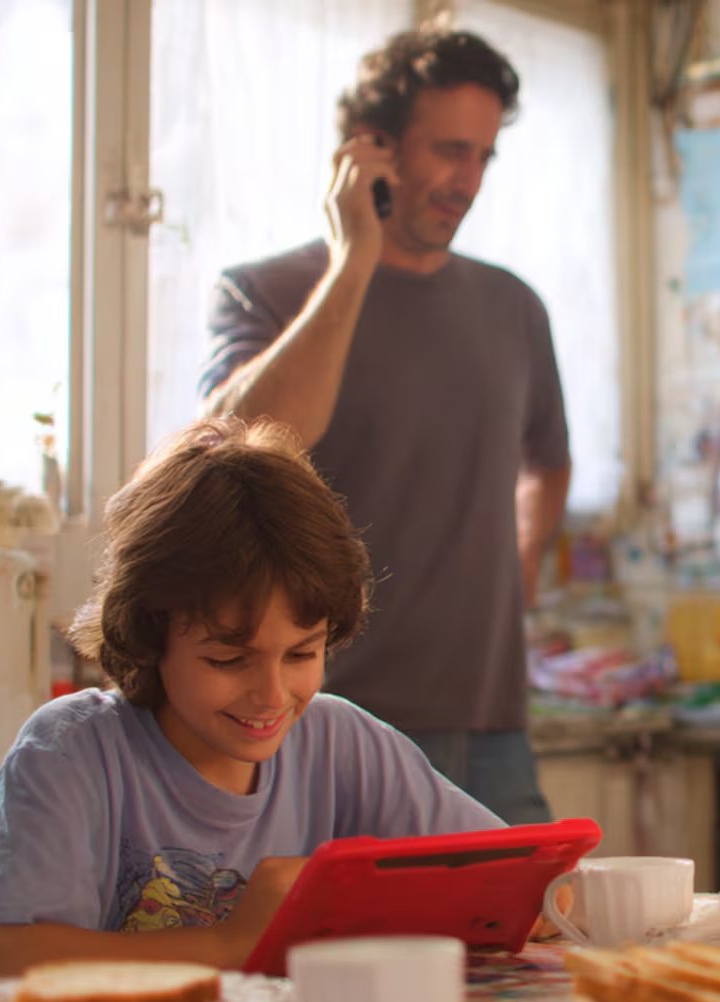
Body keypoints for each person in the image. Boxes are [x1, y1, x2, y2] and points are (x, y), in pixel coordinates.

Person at [0, 419, 504, 981]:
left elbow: (518, 876)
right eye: (227, 660)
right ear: (150, 634)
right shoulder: (72, 751)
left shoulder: (342, 742)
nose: (272, 696)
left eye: (301, 655)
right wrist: (231, 943)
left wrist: (524, 903)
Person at [199, 27, 568, 822]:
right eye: (446, 150)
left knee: (541, 940)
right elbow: (238, 448)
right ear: (371, 149)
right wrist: (353, 260)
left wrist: (523, 565)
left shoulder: (514, 307)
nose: (464, 180)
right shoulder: (265, 291)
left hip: (487, 724)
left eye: (481, 156)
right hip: (316, 719)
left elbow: (548, 459)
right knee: (329, 946)